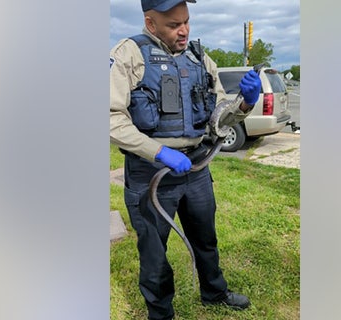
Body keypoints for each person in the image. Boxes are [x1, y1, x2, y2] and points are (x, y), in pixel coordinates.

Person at [109, 0, 261, 319]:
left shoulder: (199, 58)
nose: (184, 30)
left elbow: (219, 118)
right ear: (150, 24)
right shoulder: (128, 55)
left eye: (186, 22)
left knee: (206, 238)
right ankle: (161, 313)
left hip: (196, 168)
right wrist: (158, 151)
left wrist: (244, 104)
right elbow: (110, 118)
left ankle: (214, 292)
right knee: (154, 254)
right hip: (150, 174)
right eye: (174, 25)